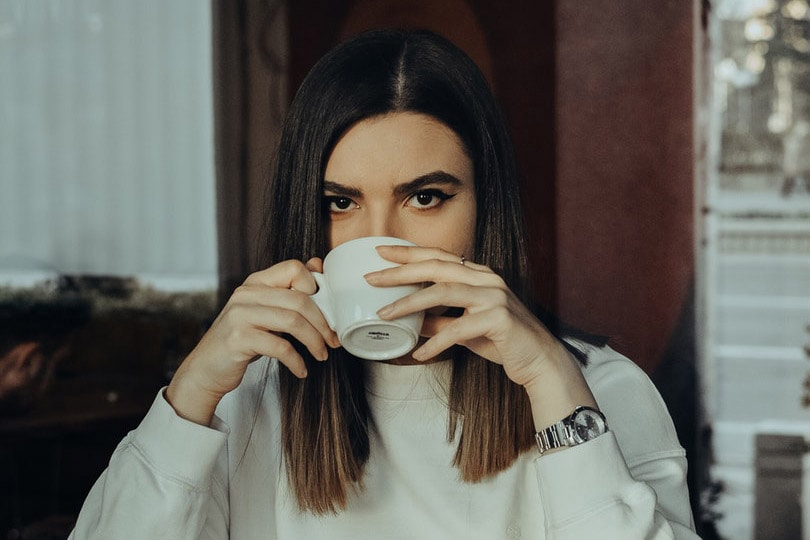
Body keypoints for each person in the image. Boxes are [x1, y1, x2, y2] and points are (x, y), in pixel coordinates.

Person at [69, 29, 699, 539]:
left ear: (487, 207)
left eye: (425, 197)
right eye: (341, 203)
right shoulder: (247, 398)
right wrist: (192, 391)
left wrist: (553, 380)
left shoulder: (600, 390)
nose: (382, 245)